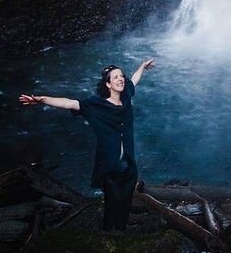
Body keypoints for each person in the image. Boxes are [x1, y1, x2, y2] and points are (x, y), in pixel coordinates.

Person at [19, 58, 155, 231]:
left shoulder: (127, 95)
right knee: (112, 203)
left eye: (122, 76)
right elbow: (69, 102)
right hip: (109, 167)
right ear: (108, 84)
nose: (121, 79)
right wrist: (41, 100)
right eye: (115, 77)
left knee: (125, 204)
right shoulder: (95, 105)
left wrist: (142, 66)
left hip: (129, 165)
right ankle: (107, 233)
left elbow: (134, 79)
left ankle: (119, 233)